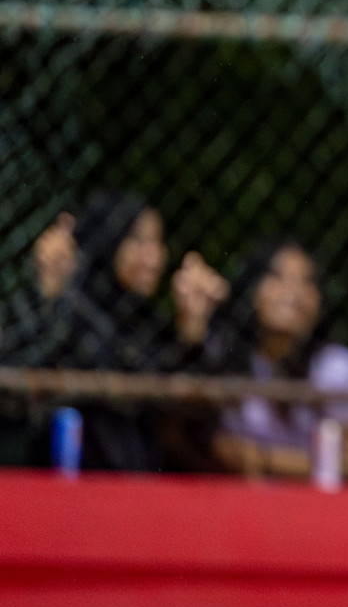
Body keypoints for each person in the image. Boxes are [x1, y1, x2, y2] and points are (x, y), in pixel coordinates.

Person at [0, 192, 227, 470]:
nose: (153, 256)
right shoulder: (72, 305)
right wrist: (48, 295)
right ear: (110, 239)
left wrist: (193, 332)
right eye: (139, 240)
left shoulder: (146, 323)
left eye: (157, 241)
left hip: (134, 481)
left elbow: (186, 407)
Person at [208, 239, 348, 480]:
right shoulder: (219, 354)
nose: (293, 292)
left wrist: (262, 459)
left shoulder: (338, 367)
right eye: (277, 277)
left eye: (306, 281)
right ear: (251, 289)